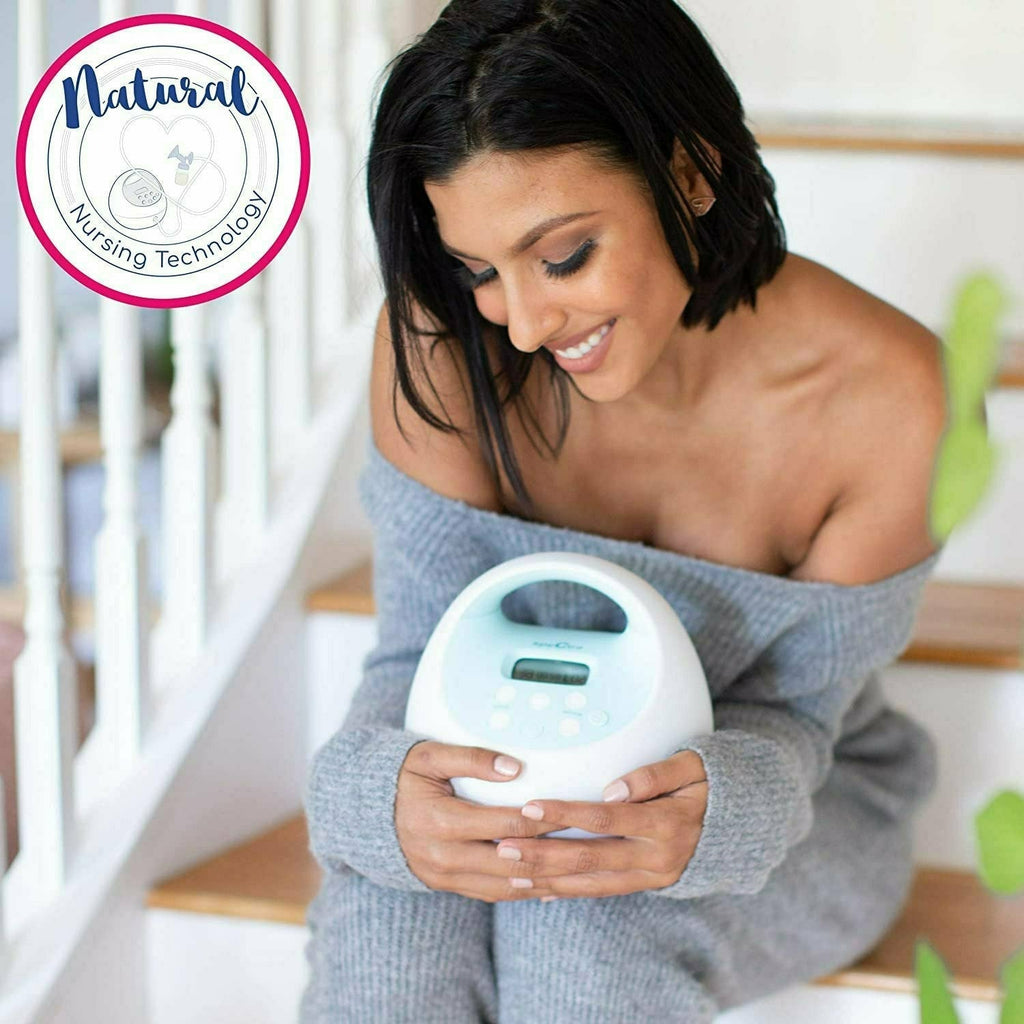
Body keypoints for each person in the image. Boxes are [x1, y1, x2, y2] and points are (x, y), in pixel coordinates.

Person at [301, 1, 948, 1021]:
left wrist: (718, 815)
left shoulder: (889, 398)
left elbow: (797, 718)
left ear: (689, 174)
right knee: (396, 906)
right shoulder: (445, 345)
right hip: (512, 772)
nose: (524, 322)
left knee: (589, 908)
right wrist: (373, 802)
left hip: (805, 800)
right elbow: (416, 663)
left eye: (562, 255)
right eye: (480, 270)